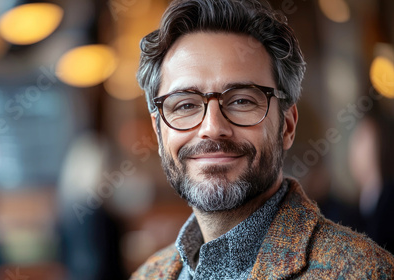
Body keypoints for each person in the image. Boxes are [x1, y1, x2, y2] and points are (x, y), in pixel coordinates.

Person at [130, 0, 394, 279]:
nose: (212, 127)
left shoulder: (365, 272)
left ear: (287, 126)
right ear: (159, 132)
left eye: (241, 101)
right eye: (185, 105)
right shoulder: (147, 275)